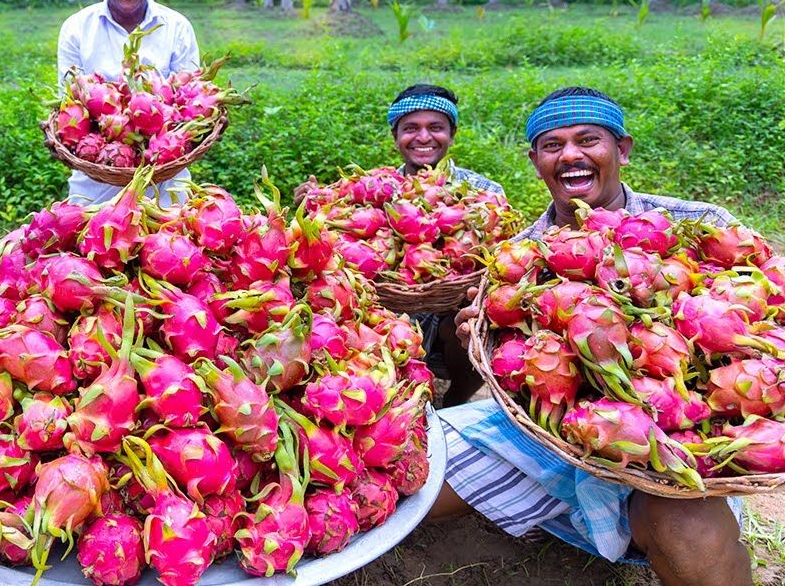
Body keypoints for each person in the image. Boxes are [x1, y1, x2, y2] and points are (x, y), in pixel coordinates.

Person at [433, 86, 750, 586]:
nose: (571, 155)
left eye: (589, 140)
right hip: (549, 432)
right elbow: (514, 371)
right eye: (553, 145)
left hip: (679, 440)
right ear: (535, 160)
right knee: (417, 472)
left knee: (686, 524)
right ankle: (561, 510)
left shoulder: (701, 224)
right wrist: (480, 337)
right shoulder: (516, 258)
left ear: (621, 149)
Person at [298, 84, 505, 405]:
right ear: (395, 136)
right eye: (411, 128)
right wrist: (310, 210)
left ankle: (455, 401)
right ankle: (379, 391)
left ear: (452, 133)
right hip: (384, 306)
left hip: (450, 317)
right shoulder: (371, 190)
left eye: (436, 127)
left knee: (473, 316)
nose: (423, 137)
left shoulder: (482, 191)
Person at [56, 0, 200, 207]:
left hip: (165, 184)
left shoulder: (177, 28)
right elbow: (69, 104)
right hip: (96, 184)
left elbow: (189, 100)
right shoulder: (76, 29)